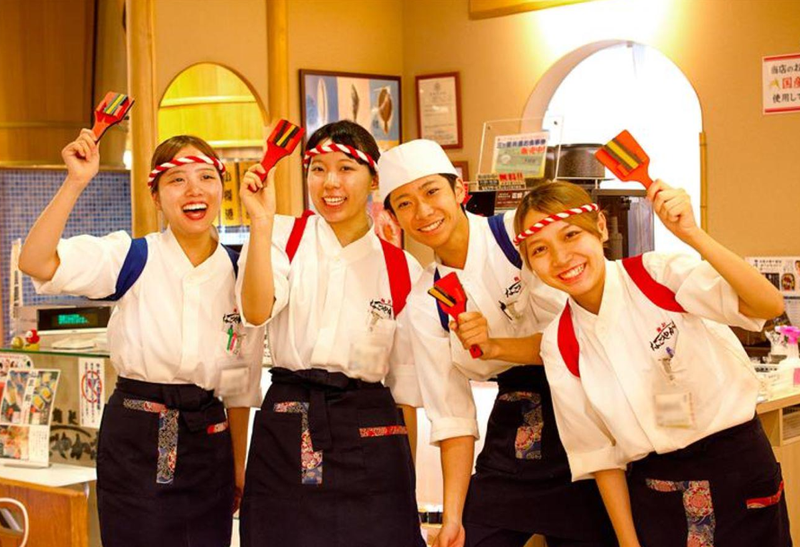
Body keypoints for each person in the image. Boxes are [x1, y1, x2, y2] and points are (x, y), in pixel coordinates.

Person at [499, 179, 789, 547]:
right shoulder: (560, 342)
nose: (560, 258)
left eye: (571, 235)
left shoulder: (657, 274)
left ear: (600, 227)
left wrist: (692, 234)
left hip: (737, 473)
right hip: (657, 495)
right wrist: (628, 542)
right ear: (530, 264)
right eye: (540, 249)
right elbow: (600, 457)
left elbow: (767, 305)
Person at [19, 130, 264, 547]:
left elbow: (240, 387)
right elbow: (35, 261)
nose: (194, 190)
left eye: (206, 177)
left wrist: (238, 465)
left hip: (209, 441)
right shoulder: (131, 257)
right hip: (136, 438)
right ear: (156, 196)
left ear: (221, 188)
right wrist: (75, 181)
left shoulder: (244, 273)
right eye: (177, 180)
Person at [379, 140, 616, 547]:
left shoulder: (516, 236)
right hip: (513, 432)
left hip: (586, 414)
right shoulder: (424, 302)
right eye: (404, 203)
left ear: (459, 190)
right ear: (395, 217)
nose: (423, 211)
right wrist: (452, 518)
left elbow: (580, 336)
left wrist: (495, 347)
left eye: (432, 191)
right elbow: (453, 417)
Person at [237, 120, 425, 547]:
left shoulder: (400, 268)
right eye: (318, 169)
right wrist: (261, 222)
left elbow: (405, 389)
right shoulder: (281, 236)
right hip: (288, 425)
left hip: (371, 433)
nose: (330, 183)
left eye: (346, 169)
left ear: (374, 179)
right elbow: (255, 311)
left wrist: (406, 483)